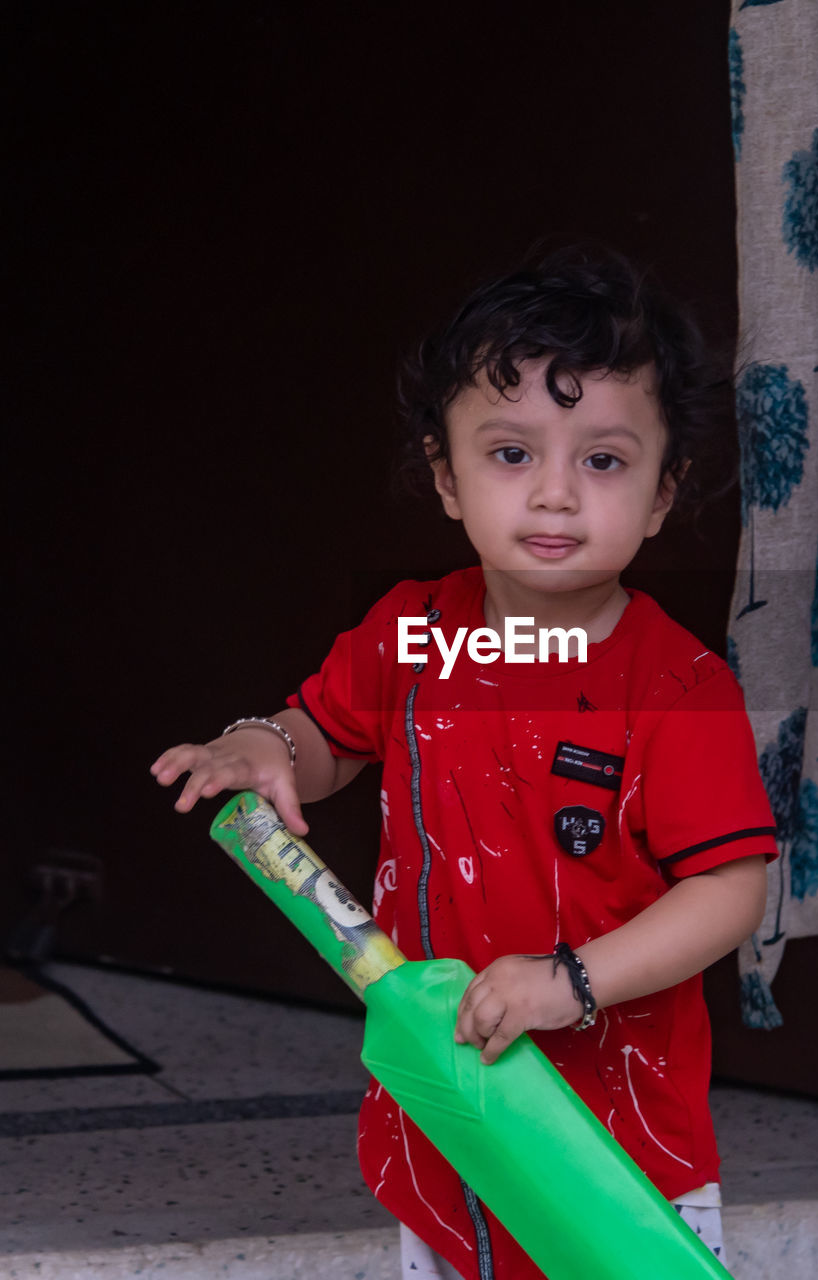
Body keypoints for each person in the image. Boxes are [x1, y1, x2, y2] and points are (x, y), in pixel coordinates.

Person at [151, 245, 777, 1280]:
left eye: (604, 460)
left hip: (613, 1154)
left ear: (664, 493)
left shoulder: (677, 689)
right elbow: (322, 741)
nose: (556, 496)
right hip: (449, 1118)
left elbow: (729, 888)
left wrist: (570, 983)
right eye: (511, 454)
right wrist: (262, 744)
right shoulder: (409, 631)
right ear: (446, 475)